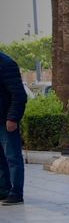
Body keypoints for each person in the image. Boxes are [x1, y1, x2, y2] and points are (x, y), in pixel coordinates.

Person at [0, 47, 25, 205]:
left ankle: (16, 193)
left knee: (12, 157)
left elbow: (19, 94)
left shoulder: (6, 63)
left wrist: (13, 118)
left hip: (6, 120)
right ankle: (3, 190)